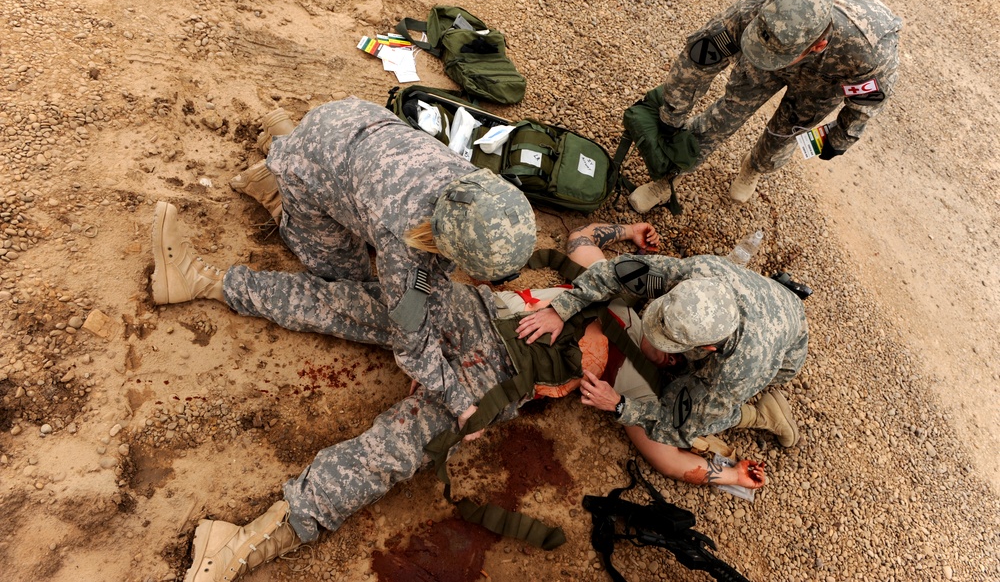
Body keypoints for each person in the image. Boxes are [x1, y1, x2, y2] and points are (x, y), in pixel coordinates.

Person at [155, 214, 767, 582]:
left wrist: (725, 474)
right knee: (351, 303)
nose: (656, 340)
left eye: (669, 347)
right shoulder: (637, 291)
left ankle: (247, 544)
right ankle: (205, 281)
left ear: (698, 358)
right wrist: (622, 232)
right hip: (473, 310)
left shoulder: (642, 391)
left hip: (492, 379)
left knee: (391, 450)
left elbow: (666, 456)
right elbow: (583, 241)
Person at [152, 96, 536, 435]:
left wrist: (430, 342)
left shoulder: (475, 190)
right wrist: (456, 398)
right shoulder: (402, 237)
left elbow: (431, 281)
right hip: (317, 162)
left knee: (368, 247)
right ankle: (274, 186)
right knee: (349, 282)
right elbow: (410, 341)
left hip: (350, 119)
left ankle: (284, 139)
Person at [515, 246, 809, 479]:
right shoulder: (699, 274)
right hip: (769, 299)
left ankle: (760, 415)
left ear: (706, 348)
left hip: (784, 348)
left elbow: (680, 426)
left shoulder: (739, 368)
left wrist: (619, 405)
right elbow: (618, 271)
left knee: (703, 413)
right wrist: (563, 307)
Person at [629, 0, 902, 212]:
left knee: (787, 133)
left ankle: (755, 167)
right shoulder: (764, 1)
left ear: (817, 46)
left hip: (826, 80)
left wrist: (840, 140)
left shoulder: (870, 51)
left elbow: (863, 107)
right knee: (728, 111)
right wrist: (672, 116)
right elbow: (698, 60)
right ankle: (671, 174)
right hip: (771, 52)